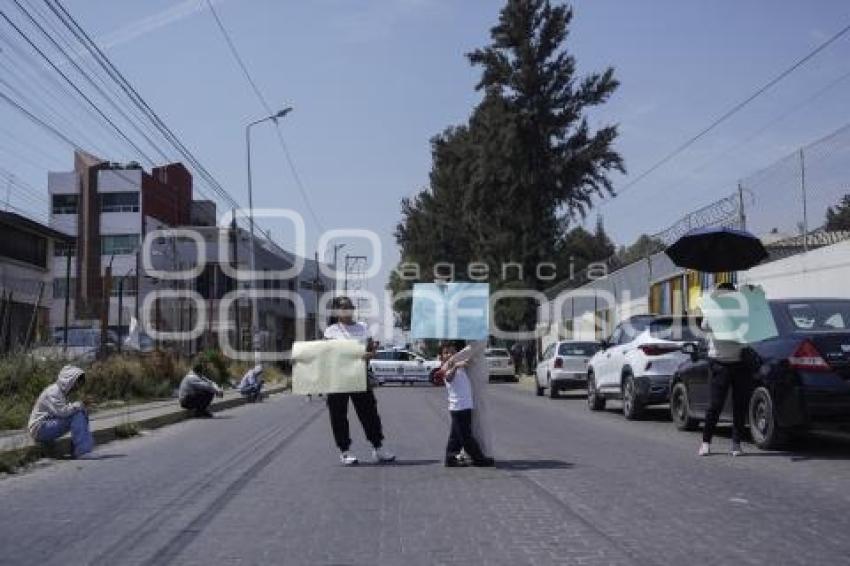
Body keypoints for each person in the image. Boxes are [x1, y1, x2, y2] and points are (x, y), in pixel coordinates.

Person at [324, 295, 395, 466]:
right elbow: (329, 355)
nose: (347, 310)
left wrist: (371, 353)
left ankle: (378, 448)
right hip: (338, 378)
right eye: (343, 308)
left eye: (350, 307)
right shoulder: (331, 331)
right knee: (338, 415)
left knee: (369, 413)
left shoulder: (363, 328)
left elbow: (370, 350)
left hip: (359, 376)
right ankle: (345, 451)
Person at [699, 282, 752, 457]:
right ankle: (706, 442)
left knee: (740, 405)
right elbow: (704, 326)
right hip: (719, 363)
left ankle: (736, 444)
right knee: (715, 405)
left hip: (739, 363)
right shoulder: (714, 312)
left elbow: (752, 331)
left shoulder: (742, 313)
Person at [437, 342, 494, 467]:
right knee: (466, 437)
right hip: (458, 407)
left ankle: (450, 457)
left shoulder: (460, 366)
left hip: (465, 406)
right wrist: (456, 365)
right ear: (440, 357)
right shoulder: (445, 368)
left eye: (453, 352)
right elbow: (449, 378)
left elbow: (469, 356)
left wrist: (468, 360)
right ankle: (479, 459)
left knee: (456, 436)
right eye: (446, 352)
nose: (450, 355)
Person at [28, 365, 94, 458]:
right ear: (69, 380)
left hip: (47, 425)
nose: (77, 388)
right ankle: (82, 450)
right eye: (77, 384)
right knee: (77, 414)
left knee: (81, 412)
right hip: (39, 429)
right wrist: (80, 404)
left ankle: (79, 447)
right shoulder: (53, 392)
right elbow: (63, 412)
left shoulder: (61, 392)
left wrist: (82, 407)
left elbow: (63, 411)